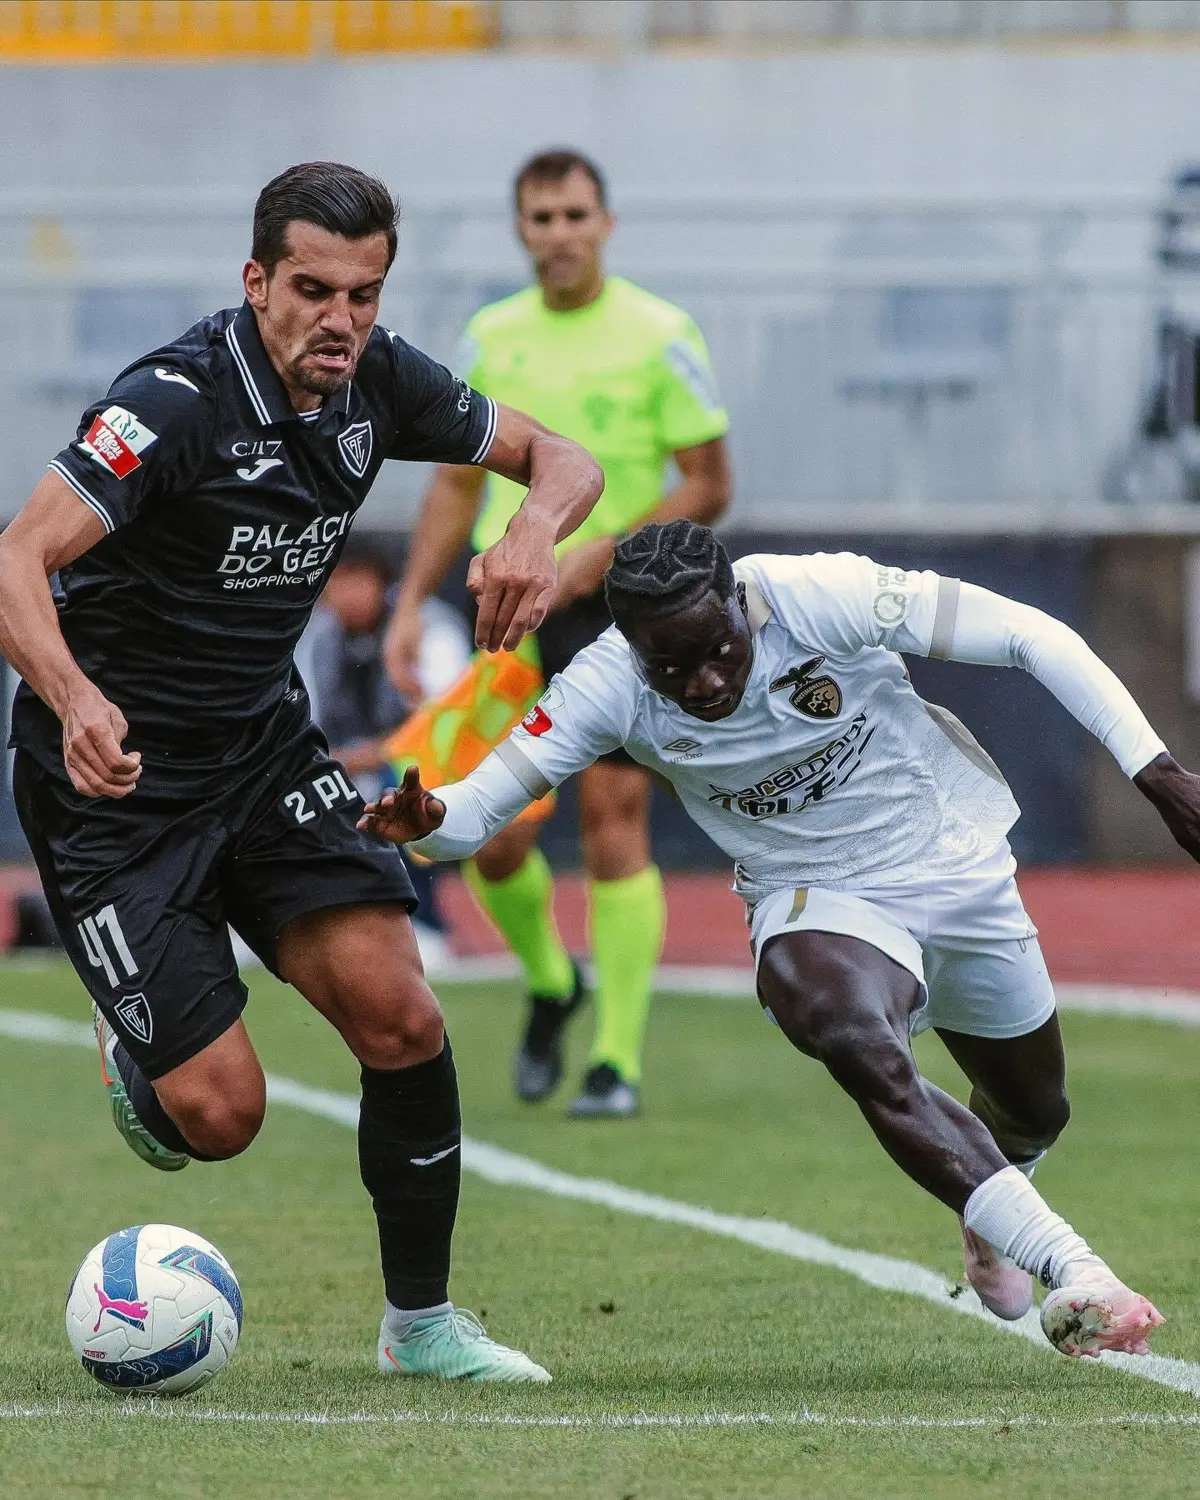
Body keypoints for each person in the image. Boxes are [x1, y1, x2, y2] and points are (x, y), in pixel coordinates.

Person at [0, 161, 603, 1384]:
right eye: (314, 291)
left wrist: (533, 528)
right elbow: (18, 559)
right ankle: (144, 1052)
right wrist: (72, 698)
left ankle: (422, 1329)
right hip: (115, 788)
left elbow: (567, 461)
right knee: (221, 1118)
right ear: (256, 282)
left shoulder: (380, 383)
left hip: (265, 755)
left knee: (404, 1015)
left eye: (366, 295)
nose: (342, 321)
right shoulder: (169, 404)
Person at [358, 519, 1200, 1359]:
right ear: (635, 649)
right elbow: (476, 808)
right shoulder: (606, 684)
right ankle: (1077, 1267)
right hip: (810, 891)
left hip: (949, 851)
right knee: (848, 1033)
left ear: (738, 602)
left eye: (718, 649)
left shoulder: (818, 595)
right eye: (672, 667)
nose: (704, 682)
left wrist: (1157, 774)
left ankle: (989, 1206)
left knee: (1033, 1107)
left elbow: (1027, 633)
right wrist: (429, 818)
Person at [384, 149, 731, 1117]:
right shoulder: (492, 336)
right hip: (512, 604)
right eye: (541, 216)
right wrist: (413, 600)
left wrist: (605, 550)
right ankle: (548, 978)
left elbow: (709, 480)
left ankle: (616, 1059)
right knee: (482, 832)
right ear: (521, 230)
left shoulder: (662, 331)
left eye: (576, 213)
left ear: (606, 224)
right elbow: (455, 478)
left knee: (613, 817)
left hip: (620, 605)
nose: (560, 232)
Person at [296, 537, 472, 971]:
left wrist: (368, 756)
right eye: (338, 581)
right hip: (347, 760)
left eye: (360, 580)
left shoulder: (430, 626)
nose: (348, 594)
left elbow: (442, 719)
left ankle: (426, 921)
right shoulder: (315, 634)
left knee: (401, 783)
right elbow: (306, 715)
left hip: (437, 761)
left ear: (383, 584)